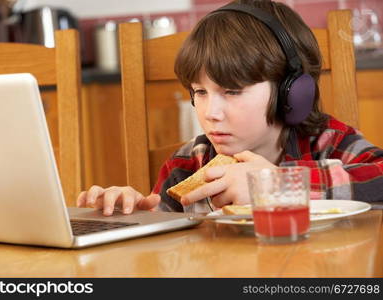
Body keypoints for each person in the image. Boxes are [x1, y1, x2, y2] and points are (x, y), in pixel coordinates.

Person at [77, 0, 383, 216]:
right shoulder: (189, 162)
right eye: (200, 91)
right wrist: (131, 214)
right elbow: (166, 240)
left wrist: (278, 185)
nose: (210, 112)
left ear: (293, 93)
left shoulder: (329, 143)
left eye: (232, 91)